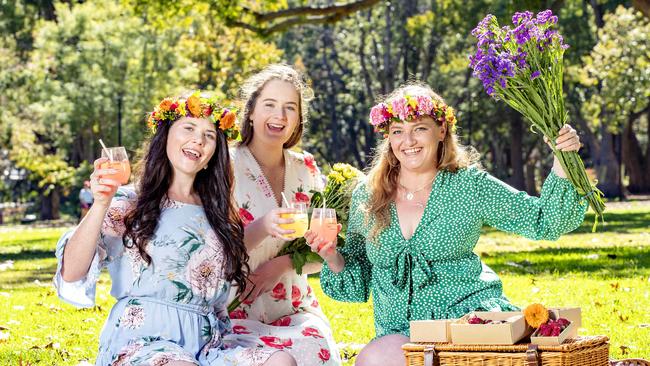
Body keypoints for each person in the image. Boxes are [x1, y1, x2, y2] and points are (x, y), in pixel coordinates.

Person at [307, 83, 588, 366]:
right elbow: (356, 284)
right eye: (397, 131)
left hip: (467, 329)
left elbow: (544, 221)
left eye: (419, 128)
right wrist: (331, 255)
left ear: (441, 130)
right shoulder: (368, 195)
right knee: (374, 359)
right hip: (400, 337)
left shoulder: (468, 186)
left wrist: (562, 161)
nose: (408, 140)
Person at [53, 92, 295, 366]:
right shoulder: (130, 203)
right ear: (165, 136)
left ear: (212, 155)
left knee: (280, 361)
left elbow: (229, 263)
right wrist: (100, 204)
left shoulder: (219, 215)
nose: (198, 139)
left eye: (209, 135)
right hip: (144, 340)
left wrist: (266, 226)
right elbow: (72, 273)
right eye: (189, 128)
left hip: (208, 346)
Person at [226, 64, 341, 366]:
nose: (280, 116)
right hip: (231, 308)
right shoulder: (223, 164)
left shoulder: (307, 168)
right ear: (250, 112)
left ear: (298, 120)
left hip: (293, 309)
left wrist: (282, 264)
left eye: (290, 108)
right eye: (270, 105)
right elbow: (211, 249)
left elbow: (322, 249)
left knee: (316, 351)